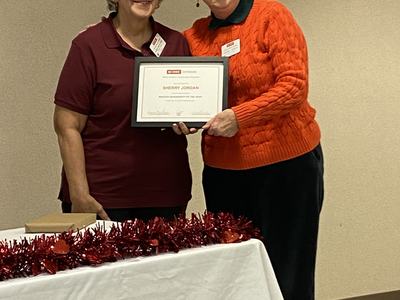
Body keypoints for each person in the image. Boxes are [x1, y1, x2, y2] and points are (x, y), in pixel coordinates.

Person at [182, 1, 324, 299]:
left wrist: (240, 117)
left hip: (286, 167)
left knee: (288, 273)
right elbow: (173, 83)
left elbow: (294, 85)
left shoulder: (270, 15)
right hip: (224, 174)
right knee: (236, 276)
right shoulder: (193, 36)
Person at [53, 0, 192, 222]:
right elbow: (66, 126)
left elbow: (191, 104)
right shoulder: (88, 45)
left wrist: (191, 119)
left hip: (166, 197)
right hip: (102, 200)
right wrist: (80, 195)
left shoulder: (175, 43)